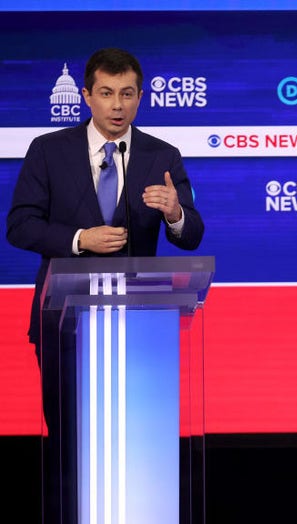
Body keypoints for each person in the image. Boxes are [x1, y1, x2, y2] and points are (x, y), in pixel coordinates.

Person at [6, 47, 204, 524]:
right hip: (64, 325)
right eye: (107, 94)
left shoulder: (162, 155)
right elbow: (19, 225)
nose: (118, 106)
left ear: (140, 98)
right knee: (69, 441)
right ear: (87, 97)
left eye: (128, 95)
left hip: (140, 327)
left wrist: (175, 212)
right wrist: (79, 239)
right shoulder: (48, 151)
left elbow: (192, 232)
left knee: (137, 440)